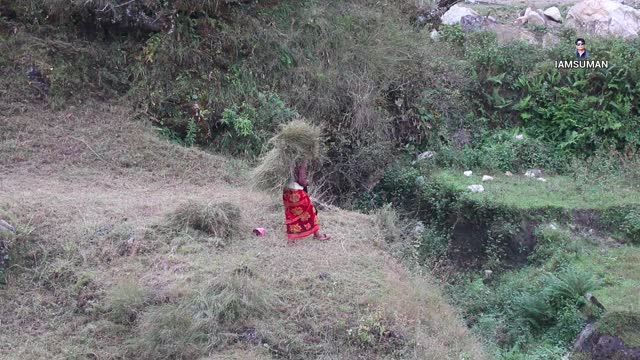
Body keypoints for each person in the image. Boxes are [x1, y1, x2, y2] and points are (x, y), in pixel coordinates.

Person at [283, 159, 331, 245]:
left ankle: (291, 241)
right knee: (311, 212)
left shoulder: (287, 158)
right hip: (297, 193)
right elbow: (301, 181)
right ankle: (318, 236)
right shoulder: (302, 161)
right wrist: (307, 182)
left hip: (287, 192)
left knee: (291, 215)